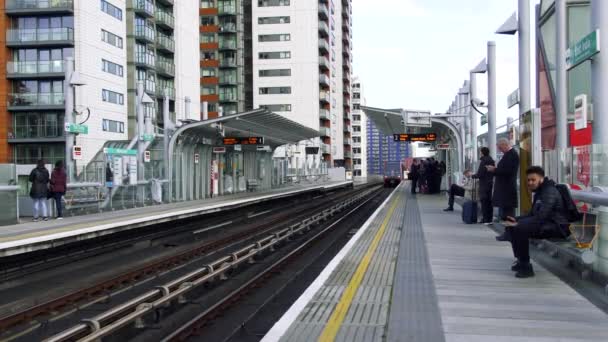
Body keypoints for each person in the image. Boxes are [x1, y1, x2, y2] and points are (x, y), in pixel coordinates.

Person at [501, 166, 570, 278]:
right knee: (512, 226)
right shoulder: (540, 191)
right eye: (528, 180)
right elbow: (533, 214)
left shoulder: (549, 192)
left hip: (558, 227)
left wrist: (520, 224)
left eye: (533, 180)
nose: (530, 183)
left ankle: (526, 267)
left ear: (541, 179)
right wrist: (516, 219)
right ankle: (521, 260)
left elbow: (542, 216)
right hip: (546, 224)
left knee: (519, 228)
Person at [486, 138, 519, 228]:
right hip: (505, 187)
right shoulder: (508, 154)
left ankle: (510, 231)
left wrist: (494, 169)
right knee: (505, 209)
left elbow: (508, 171)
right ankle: (507, 230)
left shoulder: (512, 155)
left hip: (507, 187)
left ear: (505, 145)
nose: (500, 150)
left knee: (508, 211)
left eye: (500, 148)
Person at [472, 147, 495, 224]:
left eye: (480, 152)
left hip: (484, 184)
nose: (479, 153)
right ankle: (490, 218)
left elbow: (480, 174)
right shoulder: (491, 160)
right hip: (490, 182)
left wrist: (473, 176)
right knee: (489, 201)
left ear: (482, 152)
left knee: (484, 201)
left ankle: (485, 219)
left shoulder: (483, 161)